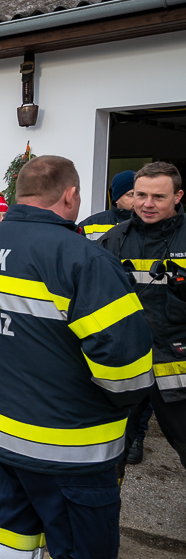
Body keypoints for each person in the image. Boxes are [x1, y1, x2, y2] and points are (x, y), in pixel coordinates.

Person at [0, 155, 153, 559]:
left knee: (13, 538)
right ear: (70, 195)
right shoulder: (85, 260)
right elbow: (127, 370)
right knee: (82, 556)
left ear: (19, 192)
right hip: (72, 446)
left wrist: (10, 353)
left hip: (4, 433)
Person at [98, 161, 186, 473]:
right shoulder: (113, 239)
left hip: (176, 367)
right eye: (140, 195)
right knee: (110, 452)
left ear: (177, 196)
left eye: (159, 197)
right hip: (125, 363)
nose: (147, 204)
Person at [78, 169, 135, 240]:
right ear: (117, 198)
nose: (137, 199)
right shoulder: (89, 225)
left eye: (141, 195)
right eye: (131, 194)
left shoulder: (147, 222)